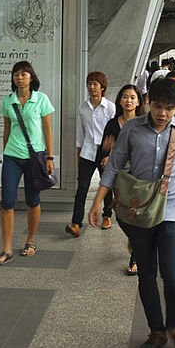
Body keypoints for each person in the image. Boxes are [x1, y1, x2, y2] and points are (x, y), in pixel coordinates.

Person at [89, 78, 175, 348]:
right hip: (139, 211)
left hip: (172, 211)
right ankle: (157, 330)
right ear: (148, 102)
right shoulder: (132, 129)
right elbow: (114, 166)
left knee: (172, 275)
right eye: (158, 106)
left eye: (170, 108)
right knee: (147, 274)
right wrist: (97, 201)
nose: (163, 113)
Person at [0, 61, 55, 265]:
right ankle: (7, 248)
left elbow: (47, 130)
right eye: (16, 74)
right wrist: (4, 152)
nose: (19, 78)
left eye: (23, 74)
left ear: (31, 77)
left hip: (35, 155)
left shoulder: (41, 99)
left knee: (32, 199)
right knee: (8, 201)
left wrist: (49, 157)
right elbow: (7, 129)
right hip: (12, 155)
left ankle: (30, 240)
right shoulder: (8, 101)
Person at [95, 84, 145, 274]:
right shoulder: (112, 123)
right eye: (125, 97)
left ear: (138, 101)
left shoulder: (143, 123)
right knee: (123, 214)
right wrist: (108, 154)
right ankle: (134, 241)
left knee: (135, 214)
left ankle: (136, 255)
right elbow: (105, 149)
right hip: (120, 178)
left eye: (132, 97)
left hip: (139, 176)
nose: (129, 100)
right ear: (119, 101)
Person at [67, 72, 115, 237]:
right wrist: (78, 155)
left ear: (102, 87)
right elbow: (80, 134)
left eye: (95, 84)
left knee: (107, 185)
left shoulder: (110, 108)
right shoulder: (83, 108)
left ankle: (107, 216)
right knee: (82, 188)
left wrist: (111, 154)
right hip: (87, 151)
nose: (91, 87)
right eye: (89, 84)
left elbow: (114, 133)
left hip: (105, 152)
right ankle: (76, 223)